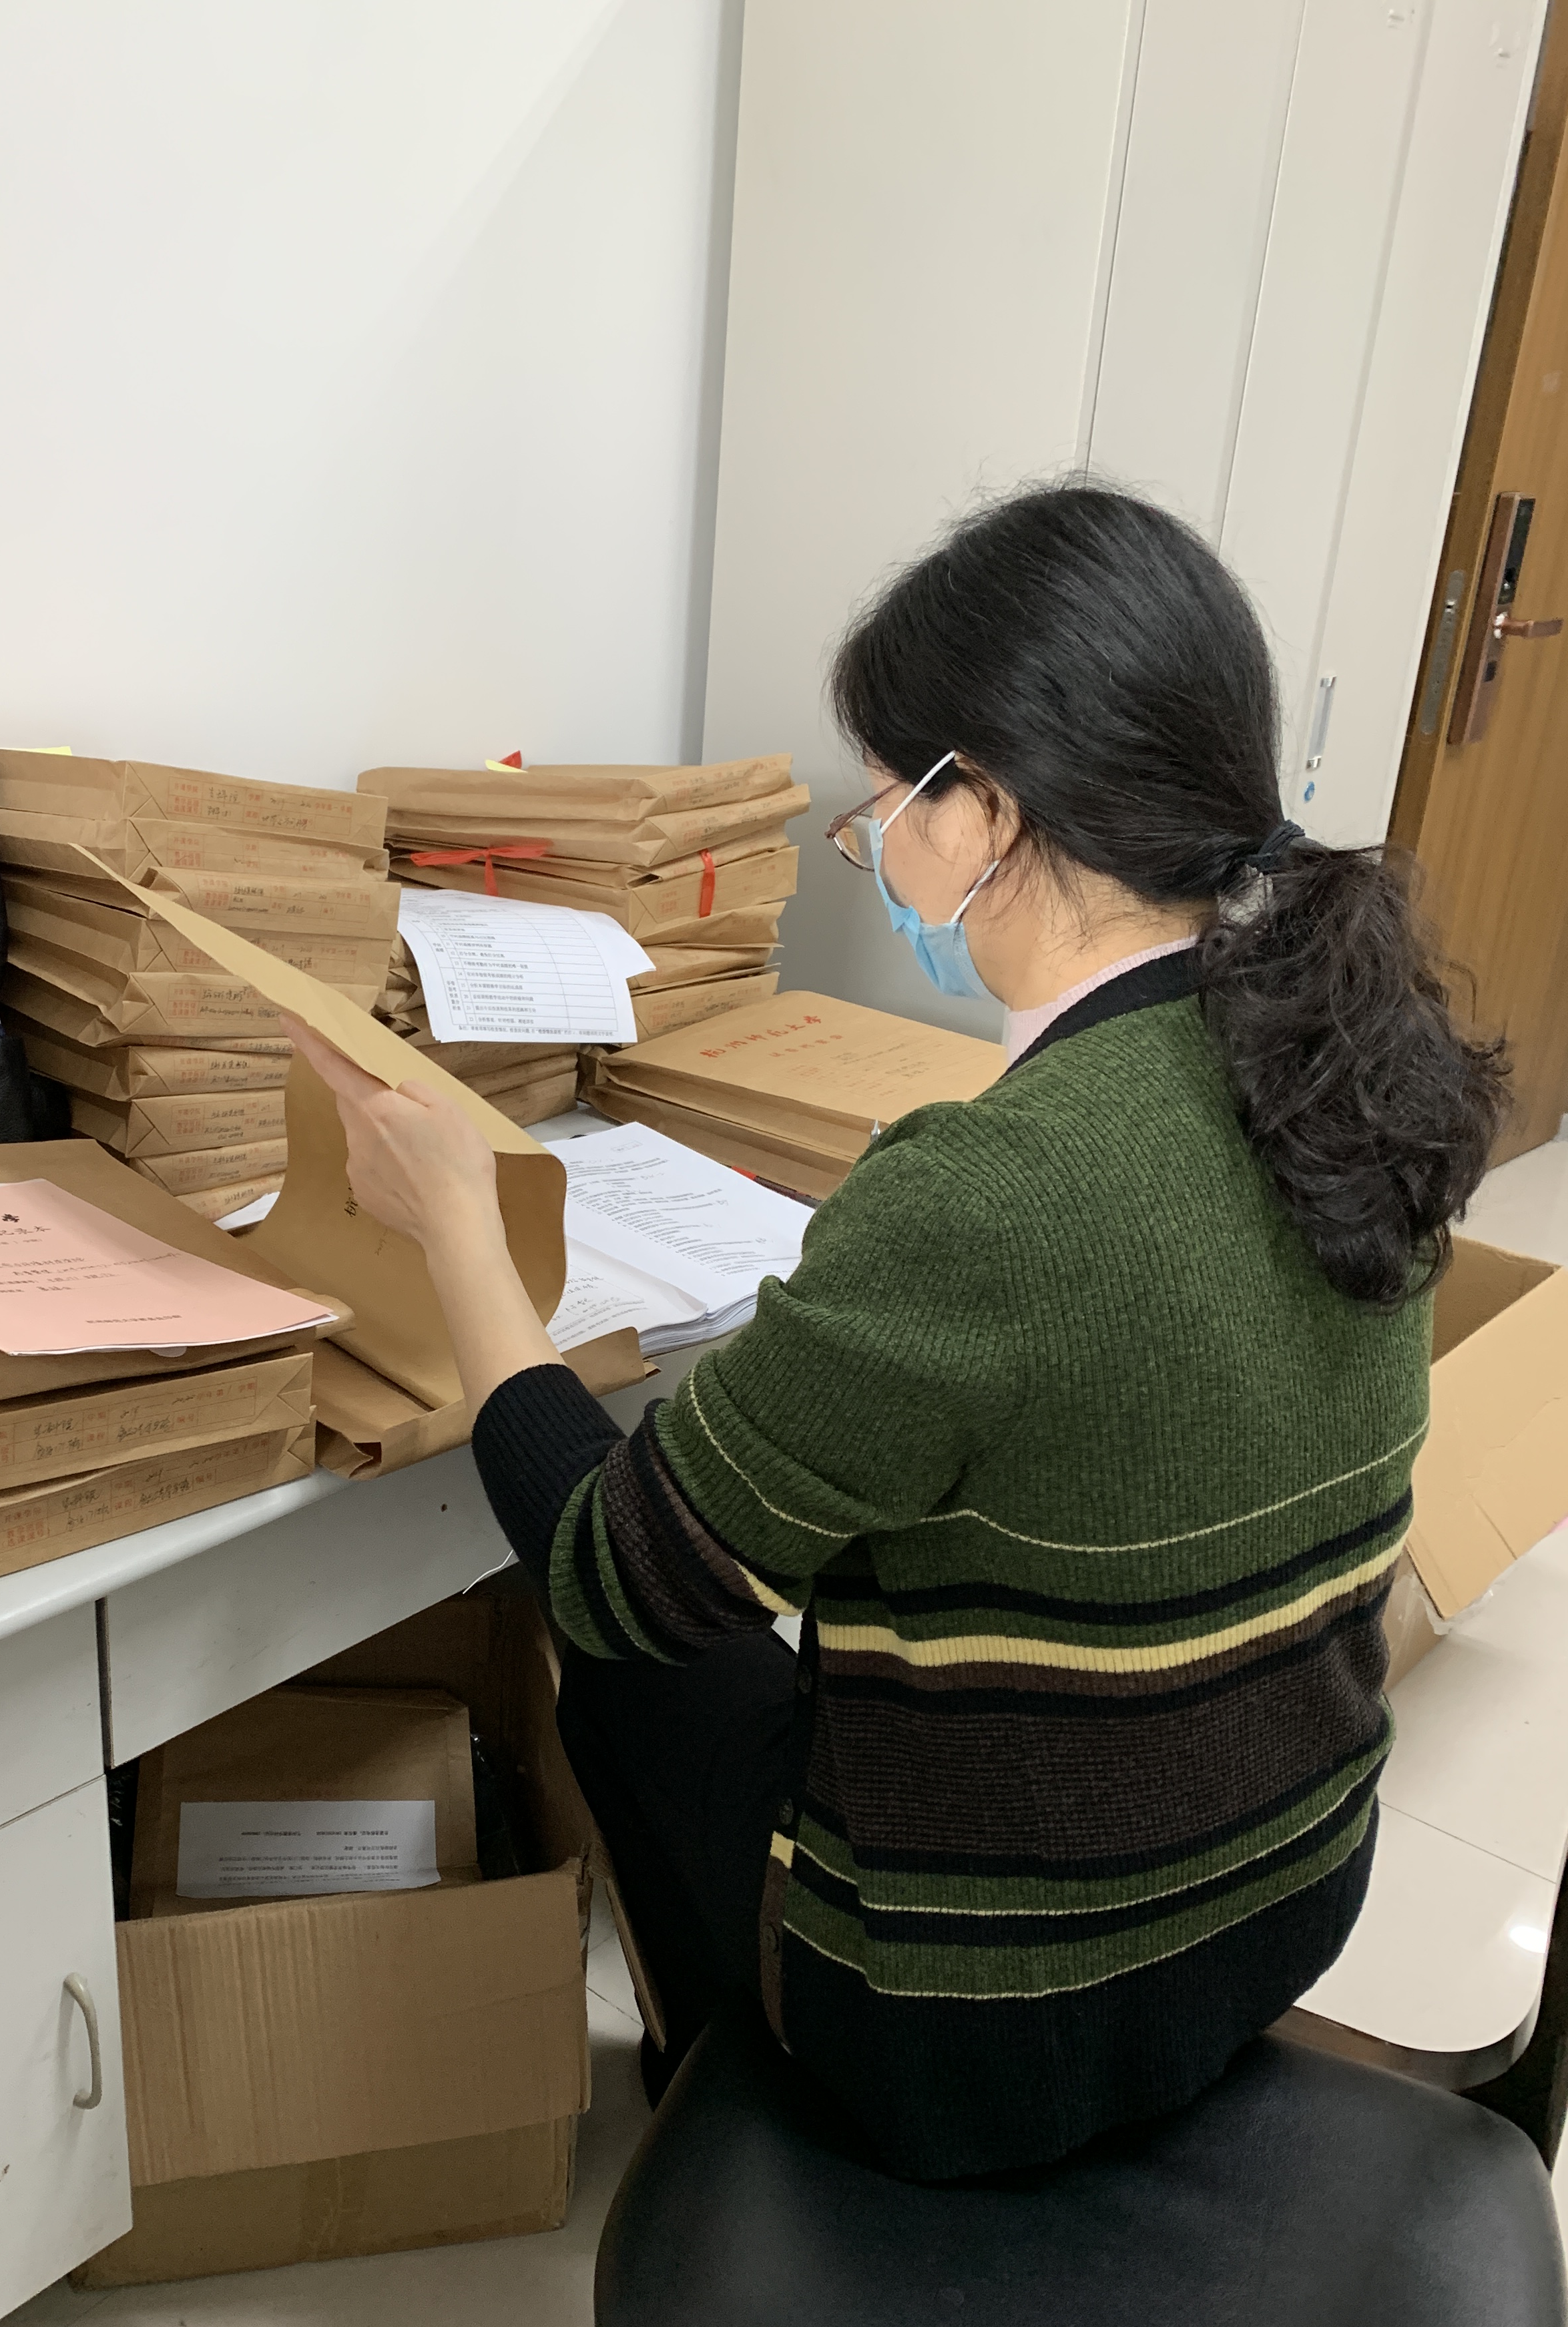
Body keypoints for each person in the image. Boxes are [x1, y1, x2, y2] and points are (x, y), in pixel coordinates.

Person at [284, 482, 1507, 2182]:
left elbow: (604, 1570)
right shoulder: (1348, 1059)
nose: (882, 850)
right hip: (1285, 1893)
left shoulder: (990, 1188)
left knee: (635, 1664)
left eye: (884, 803)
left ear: (985, 807)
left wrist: (458, 1230)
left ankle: (759, 2108)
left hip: (997, 2031)